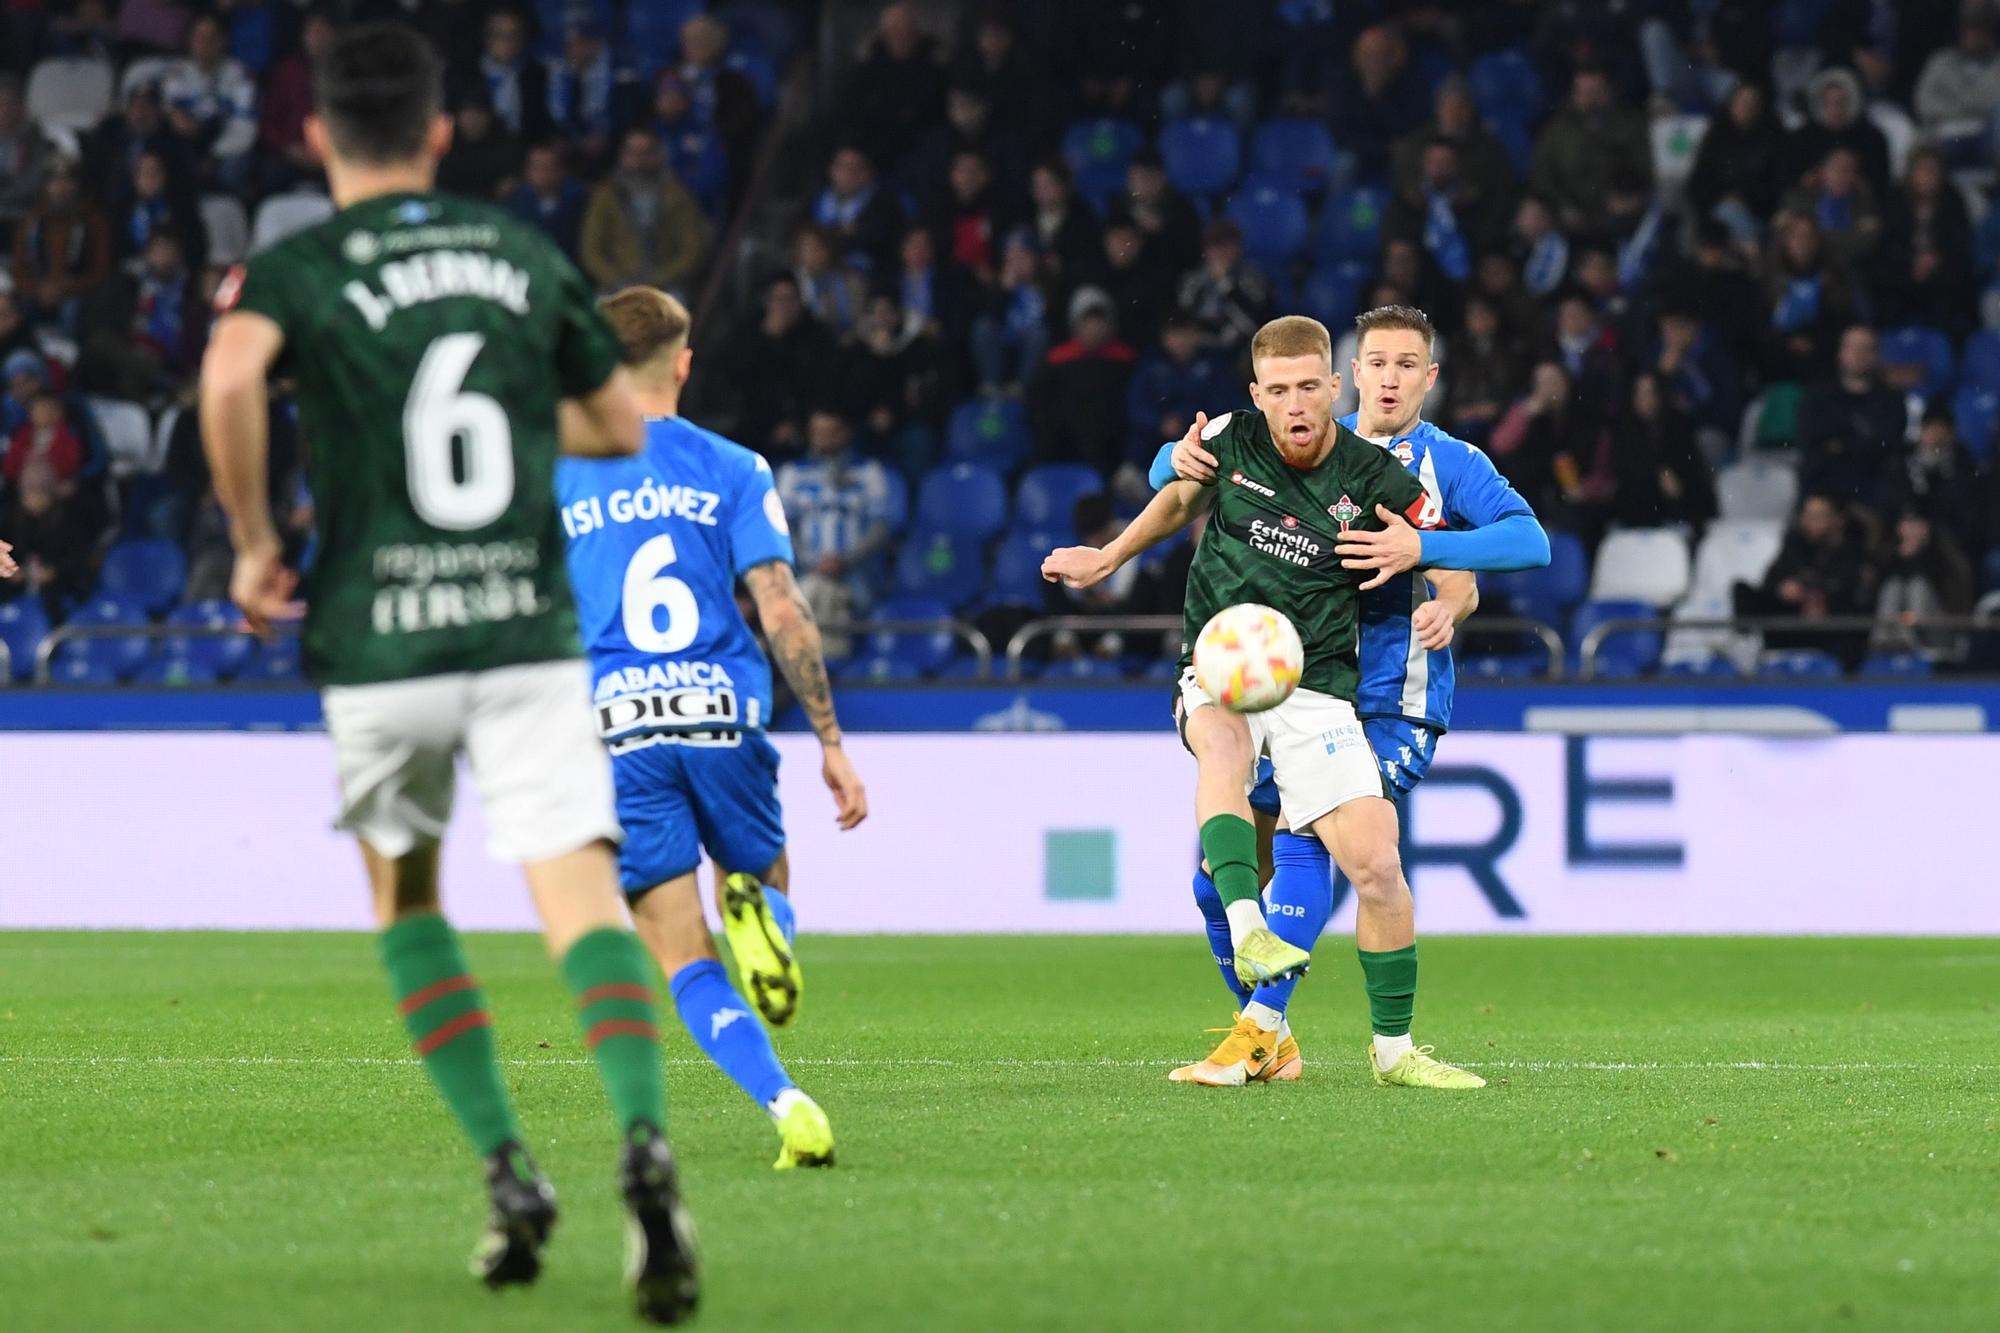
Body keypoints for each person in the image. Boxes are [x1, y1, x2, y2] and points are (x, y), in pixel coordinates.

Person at [196, 23, 697, 1321]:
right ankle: (644, 1144)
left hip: (379, 638)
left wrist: (255, 543)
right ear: (437, 132)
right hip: (522, 628)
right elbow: (615, 425)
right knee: (579, 893)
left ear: (315, 138)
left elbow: (231, 378)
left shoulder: (296, 269)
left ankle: (508, 1170)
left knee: (406, 894)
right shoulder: (523, 255)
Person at [1045, 314, 1523, 1088]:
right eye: (1379, 362)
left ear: (1428, 378)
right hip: (1272, 675)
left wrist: (1447, 590)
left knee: (1331, 850)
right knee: (1217, 874)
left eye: (1409, 363)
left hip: (1379, 692)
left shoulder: (1438, 465)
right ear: (1355, 376)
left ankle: (1278, 1036)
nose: (1392, 376)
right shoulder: (1284, 431)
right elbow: (1185, 475)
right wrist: (1170, 458)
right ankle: (1274, 1028)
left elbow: (1472, 550)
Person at [557, 286, 862, 1170]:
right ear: (683, 364)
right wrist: (832, 743)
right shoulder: (736, 466)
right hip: (722, 708)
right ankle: (763, 916)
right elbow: (782, 606)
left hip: (620, 723)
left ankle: (787, 1102)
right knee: (766, 881)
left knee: (679, 953)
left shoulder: (558, 470)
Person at [578, 129, 711, 297]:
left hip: (665, 285)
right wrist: (617, 281)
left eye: (646, 153)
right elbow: (591, 249)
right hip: (616, 285)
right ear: (623, 155)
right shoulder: (605, 196)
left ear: (659, 155)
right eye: (632, 153)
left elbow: (691, 249)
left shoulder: (677, 196)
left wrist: (659, 279)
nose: (638, 160)